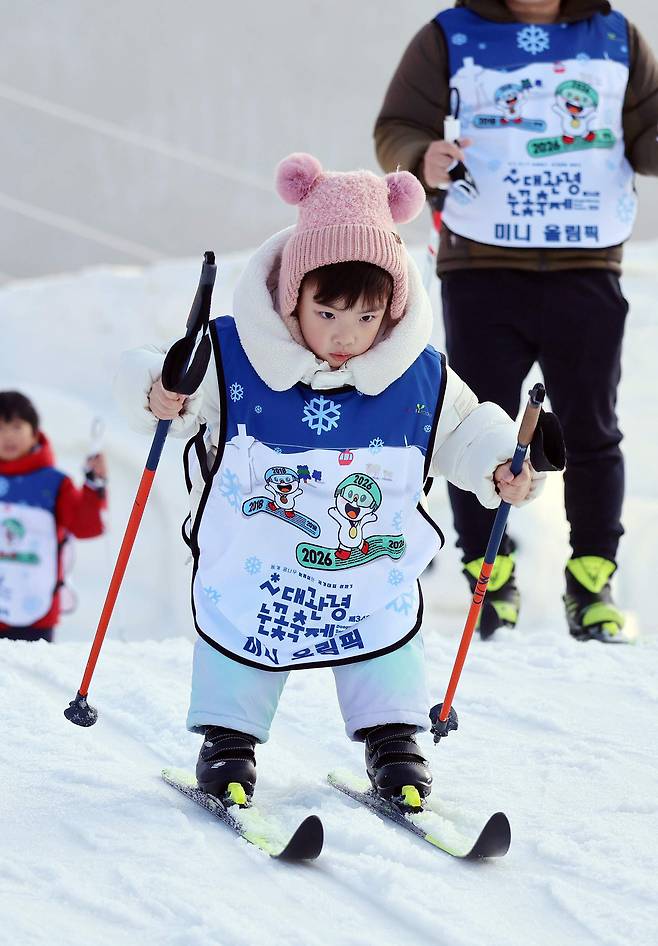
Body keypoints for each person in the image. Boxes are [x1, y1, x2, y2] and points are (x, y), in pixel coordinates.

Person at [115, 153, 544, 807]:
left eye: (368, 318)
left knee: (381, 630)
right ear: (294, 298)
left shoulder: (417, 374)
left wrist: (499, 465)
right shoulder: (235, 355)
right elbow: (162, 378)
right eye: (329, 314)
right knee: (244, 624)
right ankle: (229, 741)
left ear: (391, 309)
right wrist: (159, 390)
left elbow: (463, 431)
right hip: (260, 559)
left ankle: (394, 741)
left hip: (364, 563)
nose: (347, 337)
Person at [374, 0, 658, 643]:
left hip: (587, 263)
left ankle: (591, 582)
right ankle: (489, 579)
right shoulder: (449, 34)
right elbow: (398, 126)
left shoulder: (615, 36)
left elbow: (645, 134)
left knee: (591, 429)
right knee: (479, 426)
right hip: (481, 267)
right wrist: (421, 154)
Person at [0, 391, 108, 643]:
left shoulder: (54, 483)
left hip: (36, 612)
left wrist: (94, 486)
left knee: (27, 669)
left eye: (16, 427)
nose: (8, 436)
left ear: (34, 432)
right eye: (1, 428)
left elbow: (85, 526)